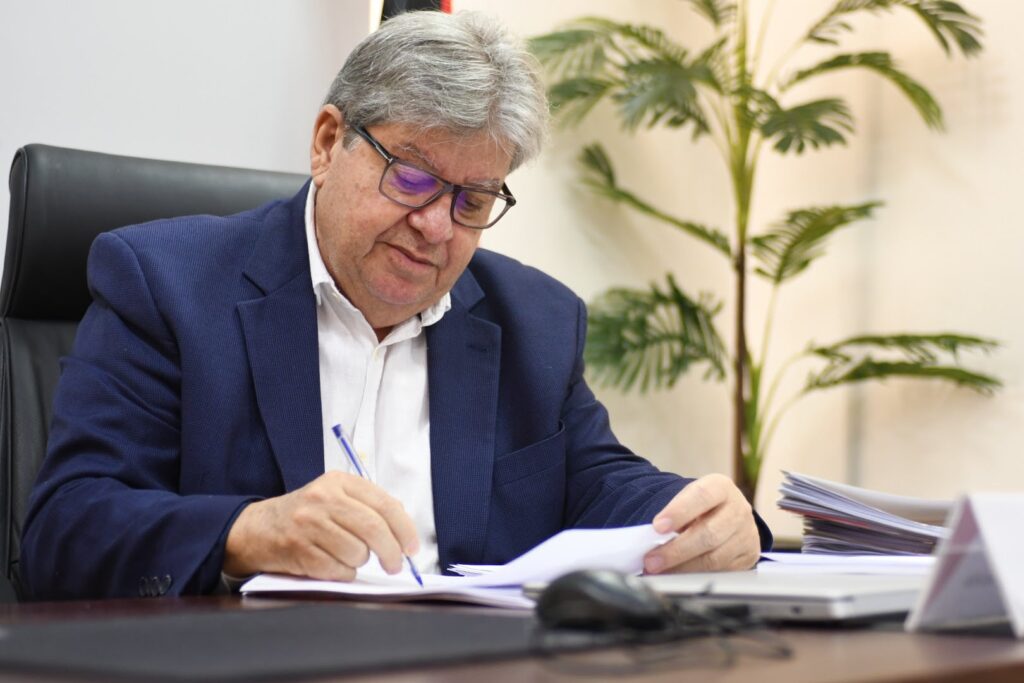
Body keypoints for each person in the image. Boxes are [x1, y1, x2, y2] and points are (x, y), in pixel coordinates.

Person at [21, 10, 769, 600]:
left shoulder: (534, 321)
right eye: (411, 178)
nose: (437, 226)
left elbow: (604, 485)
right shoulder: (166, 285)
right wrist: (244, 531)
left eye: (472, 201)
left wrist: (710, 518)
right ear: (327, 143)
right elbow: (65, 527)